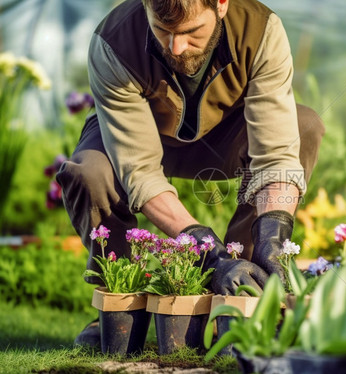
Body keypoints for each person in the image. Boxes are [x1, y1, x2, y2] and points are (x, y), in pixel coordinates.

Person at [56, 0, 324, 347]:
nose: (176, 48)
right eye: (162, 31)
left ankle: (242, 293)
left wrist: (272, 237)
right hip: (136, 137)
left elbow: (275, 156)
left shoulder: (262, 31)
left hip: (226, 133)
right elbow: (140, 172)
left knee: (304, 126)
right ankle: (116, 302)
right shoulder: (113, 43)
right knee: (88, 172)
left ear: (222, 5)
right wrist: (210, 253)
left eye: (191, 32)